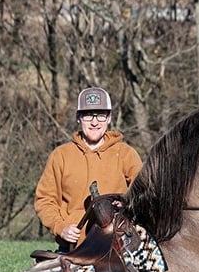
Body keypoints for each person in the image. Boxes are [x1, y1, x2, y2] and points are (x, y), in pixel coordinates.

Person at [34, 87, 143, 252]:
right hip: (75, 248)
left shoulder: (126, 154)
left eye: (100, 115)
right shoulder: (60, 156)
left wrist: (127, 205)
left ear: (109, 118)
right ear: (79, 118)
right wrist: (61, 227)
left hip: (120, 245)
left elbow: (144, 193)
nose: (94, 122)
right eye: (88, 115)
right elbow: (45, 200)